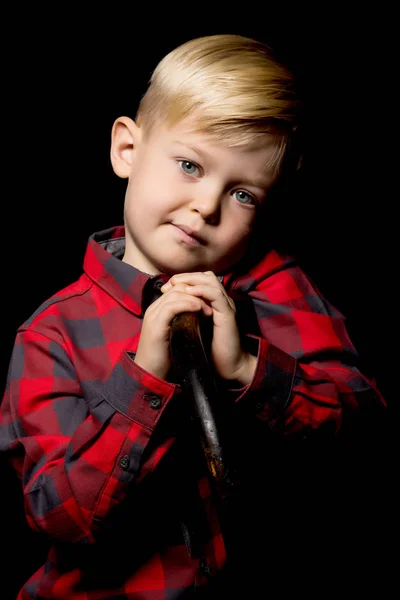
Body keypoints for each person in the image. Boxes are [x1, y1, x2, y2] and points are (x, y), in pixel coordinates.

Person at [0, 33, 386, 599]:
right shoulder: (51, 334)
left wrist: (249, 369)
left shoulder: (273, 283)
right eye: (189, 165)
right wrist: (144, 381)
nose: (207, 205)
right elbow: (60, 518)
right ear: (127, 150)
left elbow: (366, 427)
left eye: (244, 195)